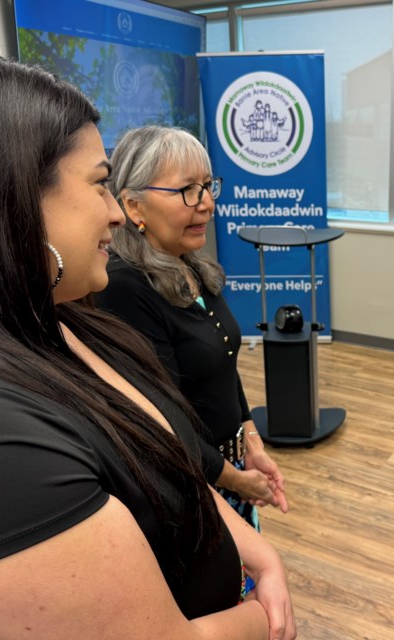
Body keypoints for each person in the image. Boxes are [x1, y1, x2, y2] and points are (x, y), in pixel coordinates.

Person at [0, 53, 295, 640]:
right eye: (99, 185)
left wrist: (257, 554)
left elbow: (165, 457)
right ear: (10, 201)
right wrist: (262, 616)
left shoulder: (66, 318)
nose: (116, 213)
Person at [96, 126, 289, 531]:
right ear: (134, 207)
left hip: (228, 469)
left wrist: (251, 444)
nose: (207, 205)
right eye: (188, 190)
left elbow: (224, 362)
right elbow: (160, 422)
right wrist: (235, 481)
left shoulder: (192, 265)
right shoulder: (126, 289)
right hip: (190, 484)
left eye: (207, 186)